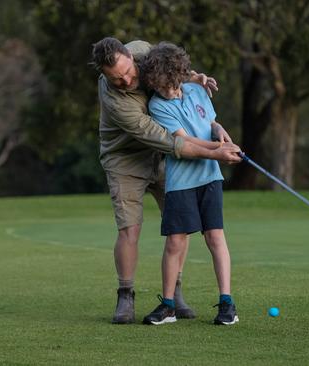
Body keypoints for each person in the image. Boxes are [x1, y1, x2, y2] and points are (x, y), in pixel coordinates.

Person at [91, 37, 242, 324]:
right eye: (117, 78)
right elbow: (170, 142)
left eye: (129, 72)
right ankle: (126, 295)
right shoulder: (115, 100)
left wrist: (195, 78)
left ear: (131, 57)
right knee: (129, 230)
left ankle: (175, 293)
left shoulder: (142, 51)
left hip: (165, 159)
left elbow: (171, 67)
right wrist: (217, 152)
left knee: (179, 230)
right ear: (104, 74)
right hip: (127, 159)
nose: (127, 80)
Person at [140, 42, 239, 325]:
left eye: (171, 85)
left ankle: (226, 304)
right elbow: (184, 141)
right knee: (175, 242)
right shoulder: (157, 105)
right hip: (181, 181)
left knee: (215, 237)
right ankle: (168, 305)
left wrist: (220, 132)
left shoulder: (197, 90)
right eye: (160, 86)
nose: (167, 91)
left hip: (210, 178)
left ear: (180, 76)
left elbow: (211, 123)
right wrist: (219, 151)